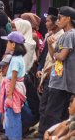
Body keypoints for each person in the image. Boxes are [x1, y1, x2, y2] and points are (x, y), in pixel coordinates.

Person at [39, 6, 75, 135]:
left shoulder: (70, 35)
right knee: (57, 115)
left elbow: (61, 56)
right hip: (59, 81)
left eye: (60, 17)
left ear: (68, 19)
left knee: (52, 115)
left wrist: (55, 54)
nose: (57, 20)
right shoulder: (64, 35)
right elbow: (56, 58)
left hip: (62, 83)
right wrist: (50, 45)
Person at [37, 8, 64, 137]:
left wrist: (48, 71)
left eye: (48, 21)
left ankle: (46, 134)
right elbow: (44, 56)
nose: (45, 23)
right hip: (46, 74)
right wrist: (40, 69)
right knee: (43, 107)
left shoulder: (63, 37)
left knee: (50, 109)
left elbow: (58, 58)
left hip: (55, 75)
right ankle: (42, 133)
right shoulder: (49, 35)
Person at [0, 31, 27, 140]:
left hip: (13, 90)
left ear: (13, 44)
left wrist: (9, 94)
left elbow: (14, 77)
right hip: (15, 88)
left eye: (8, 42)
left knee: (12, 116)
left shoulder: (15, 59)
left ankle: (13, 137)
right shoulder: (19, 58)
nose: (7, 45)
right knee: (13, 115)